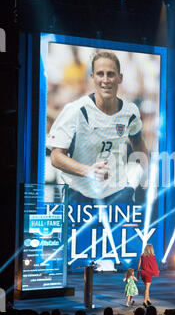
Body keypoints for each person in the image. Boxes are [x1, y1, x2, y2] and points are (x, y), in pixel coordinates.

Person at [46, 51, 148, 204]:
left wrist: (147, 173)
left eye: (111, 74)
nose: (105, 80)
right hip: (79, 194)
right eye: (100, 74)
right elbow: (56, 157)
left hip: (117, 192)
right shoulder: (75, 110)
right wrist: (89, 171)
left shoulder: (130, 112)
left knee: (130, 228)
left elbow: (138, 143)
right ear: (92, 77)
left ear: (120, 78)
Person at [137, 244, 159, 308]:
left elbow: (139, 264)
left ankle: (148, 299)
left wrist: (138, 272)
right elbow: (154, 265)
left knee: (147, 287)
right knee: (147, 288)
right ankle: (144, 301)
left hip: (143, 273)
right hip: (148, 274)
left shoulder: (142, 255)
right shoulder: (153, 256)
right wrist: (156, 270)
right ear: (151, 249)